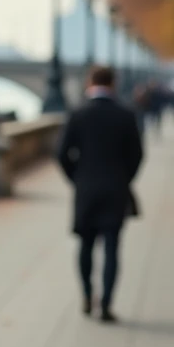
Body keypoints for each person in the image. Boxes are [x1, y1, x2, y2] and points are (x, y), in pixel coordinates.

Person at [56, 66, 144, 323]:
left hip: (86, 189)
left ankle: (86, 294)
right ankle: (106, 303)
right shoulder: (126, 115)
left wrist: (77, 179)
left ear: (89, 82)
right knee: (112, 248)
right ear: (113, 83)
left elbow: (61, 154)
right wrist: (124, 178)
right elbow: (137, 155)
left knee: (85, 244)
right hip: (116, 189)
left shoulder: (78, 114)